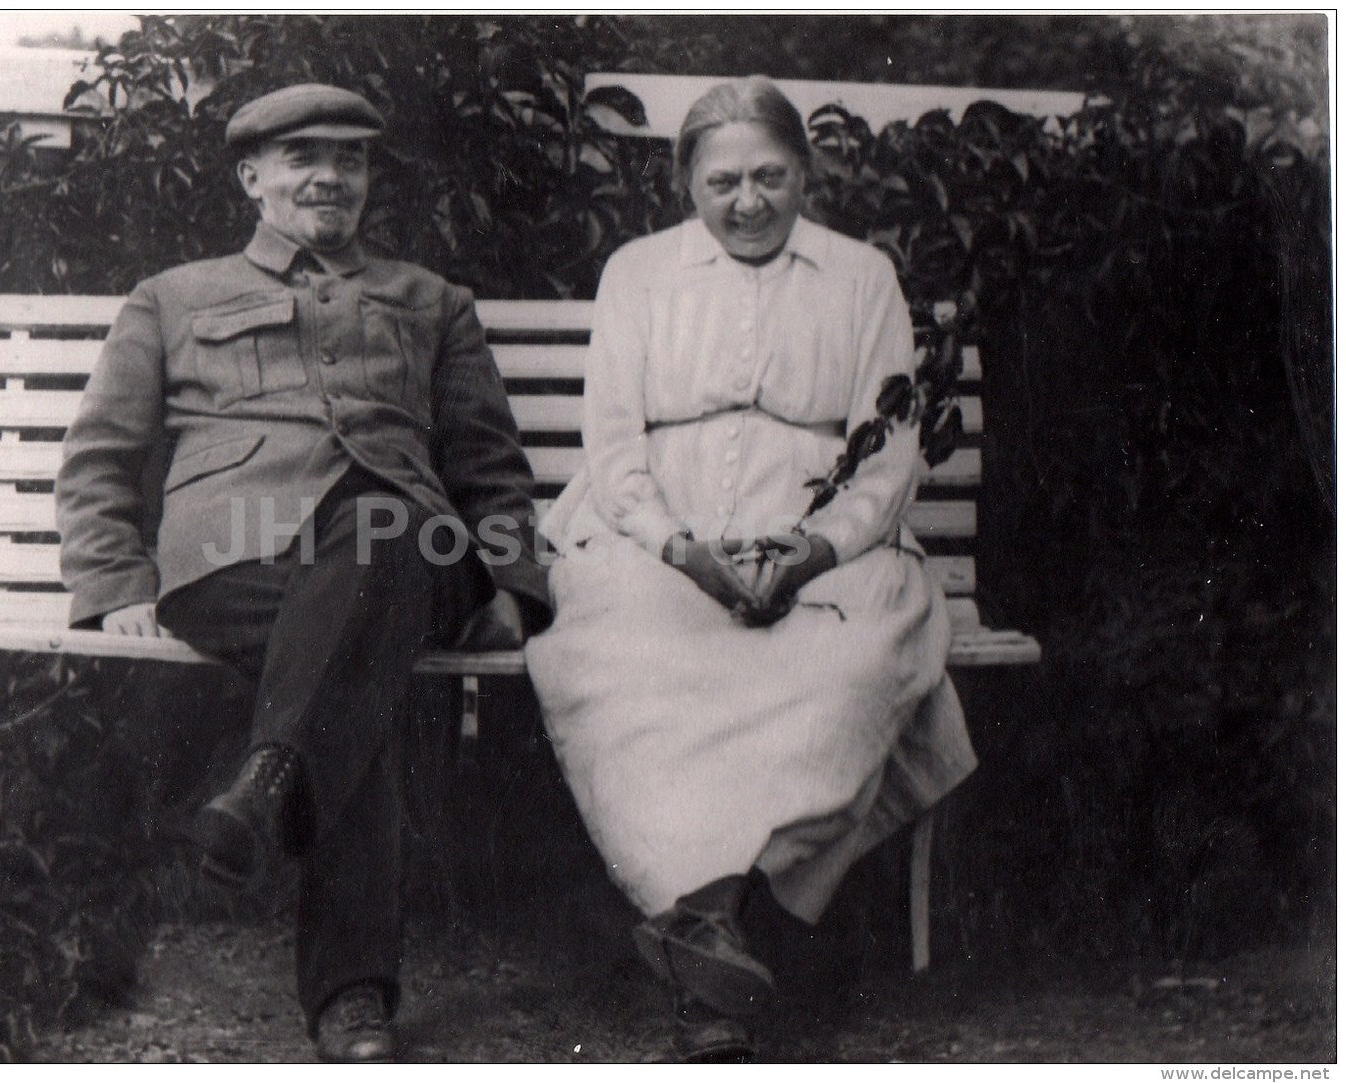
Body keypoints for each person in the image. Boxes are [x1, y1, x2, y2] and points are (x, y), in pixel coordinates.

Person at [56, 83, 550, 1062]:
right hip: (234, 559)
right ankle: (350, 995)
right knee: (357, 657)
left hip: (412, 550)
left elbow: (489, 466)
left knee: (379, 538)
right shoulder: (173, 296)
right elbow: (100, 456)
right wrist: (114, 584)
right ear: (252, 178)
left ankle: (267, 781)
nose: (330, 176)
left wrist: (511, 585)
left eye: (351, 159)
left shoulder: (431, 302)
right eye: (303, 158)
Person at [524, 76, 977, 1062]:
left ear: (804, 175)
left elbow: (888, 445)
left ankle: (706, 925)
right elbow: (612, 448)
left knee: (851, 663)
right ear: (686, 181)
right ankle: (717, 940)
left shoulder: (859, 278)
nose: (747, 202)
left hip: (826, 535)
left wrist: (816, 549)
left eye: (770, 177)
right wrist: (682, 551)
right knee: (630, 655)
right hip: (659, 532)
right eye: (721, 180)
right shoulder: (638, 274)